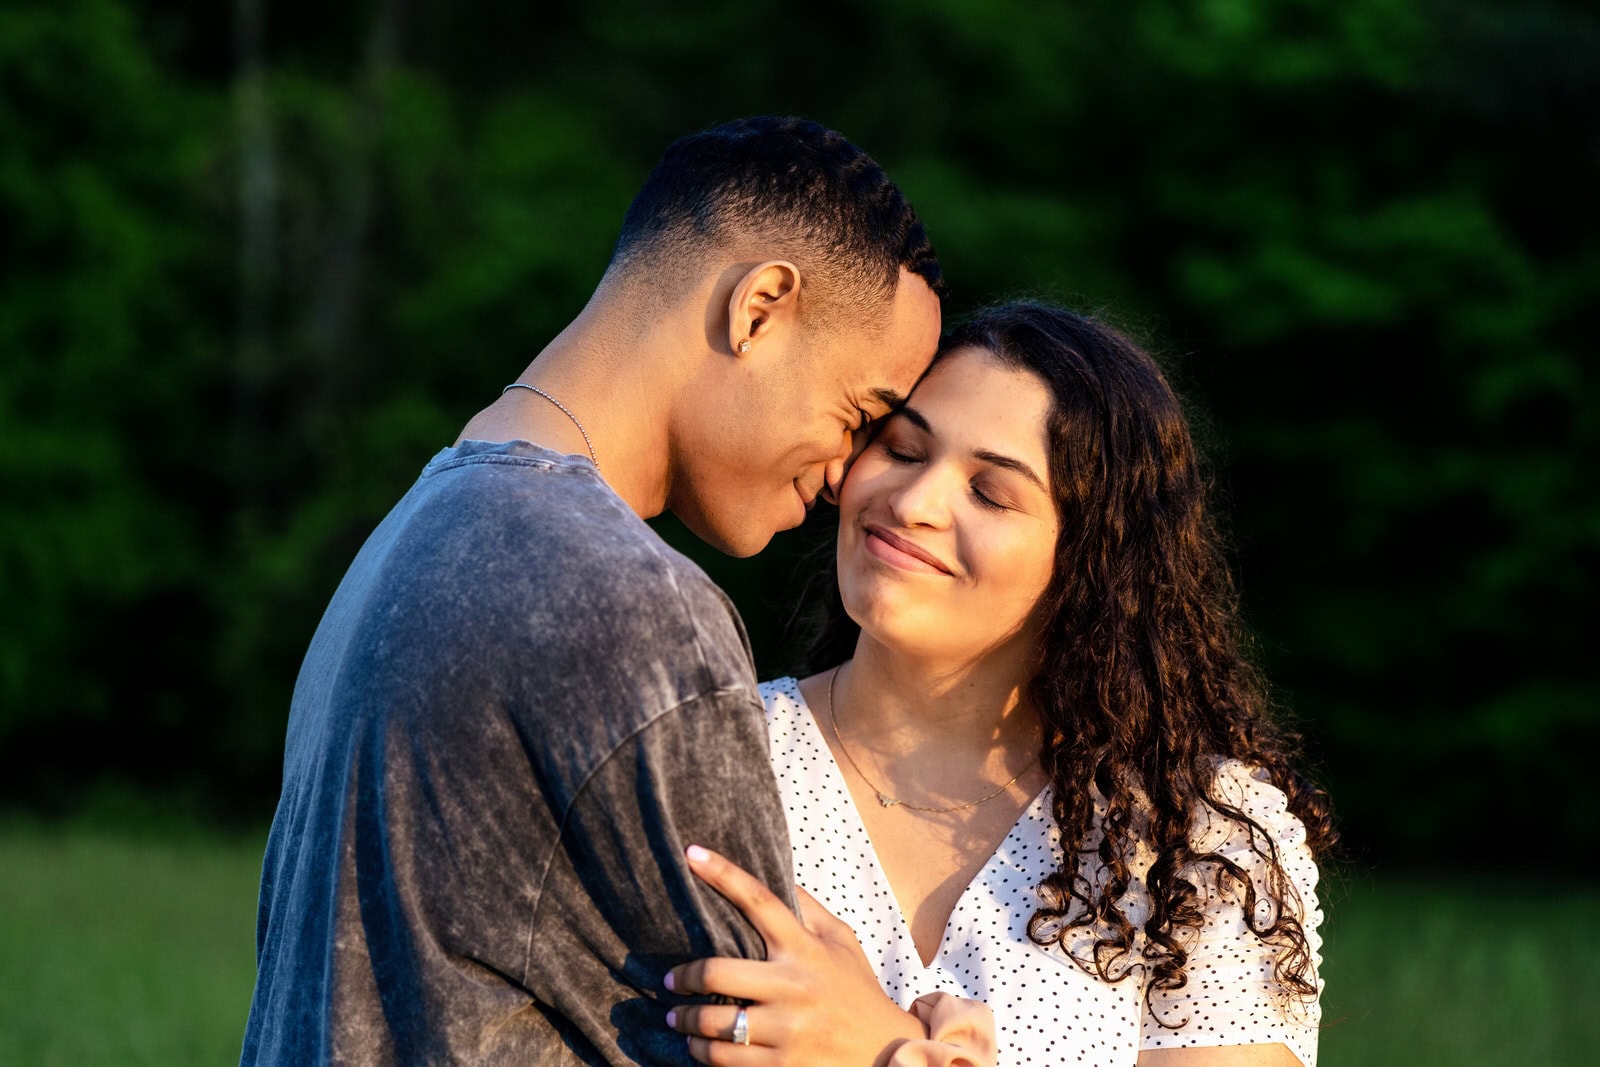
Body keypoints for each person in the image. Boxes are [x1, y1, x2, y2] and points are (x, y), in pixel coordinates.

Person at [240, 116, 945, 1065]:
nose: (842, 479)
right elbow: (776, 1036)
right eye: (860, 414)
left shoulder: (409, 537)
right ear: (760, 308)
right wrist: (907, 1045)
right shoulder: (631, 607)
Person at [662, 302, 1337, 1066]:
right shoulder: (700, 759)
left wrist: (879, 1052)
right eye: (904, 449)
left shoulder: (1198, 838)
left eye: (990, 492)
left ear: (1092, 565)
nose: (912, 504)